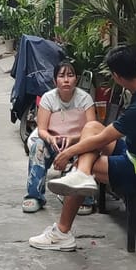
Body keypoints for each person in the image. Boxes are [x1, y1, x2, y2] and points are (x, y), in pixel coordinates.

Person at [28, 31, 136, 251]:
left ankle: (62, 232)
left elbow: (105, 139)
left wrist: (69, 152)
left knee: (83, 162)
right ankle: (83, 175)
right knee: (92, 127)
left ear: (117, 76)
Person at [22, 60, 95, 214]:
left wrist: (74, 140)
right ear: (55, 81)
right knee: (38, 147)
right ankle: (35, 196)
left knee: (88, 151)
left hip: (78, 142)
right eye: (61, 76)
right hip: (53, 141)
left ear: (76, 79)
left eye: (70, 75)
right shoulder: (48, 98)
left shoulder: (85, 99)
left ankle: (84, 198)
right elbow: (42, 130)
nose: (66, 80)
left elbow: (92, 129)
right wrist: (51, 139)